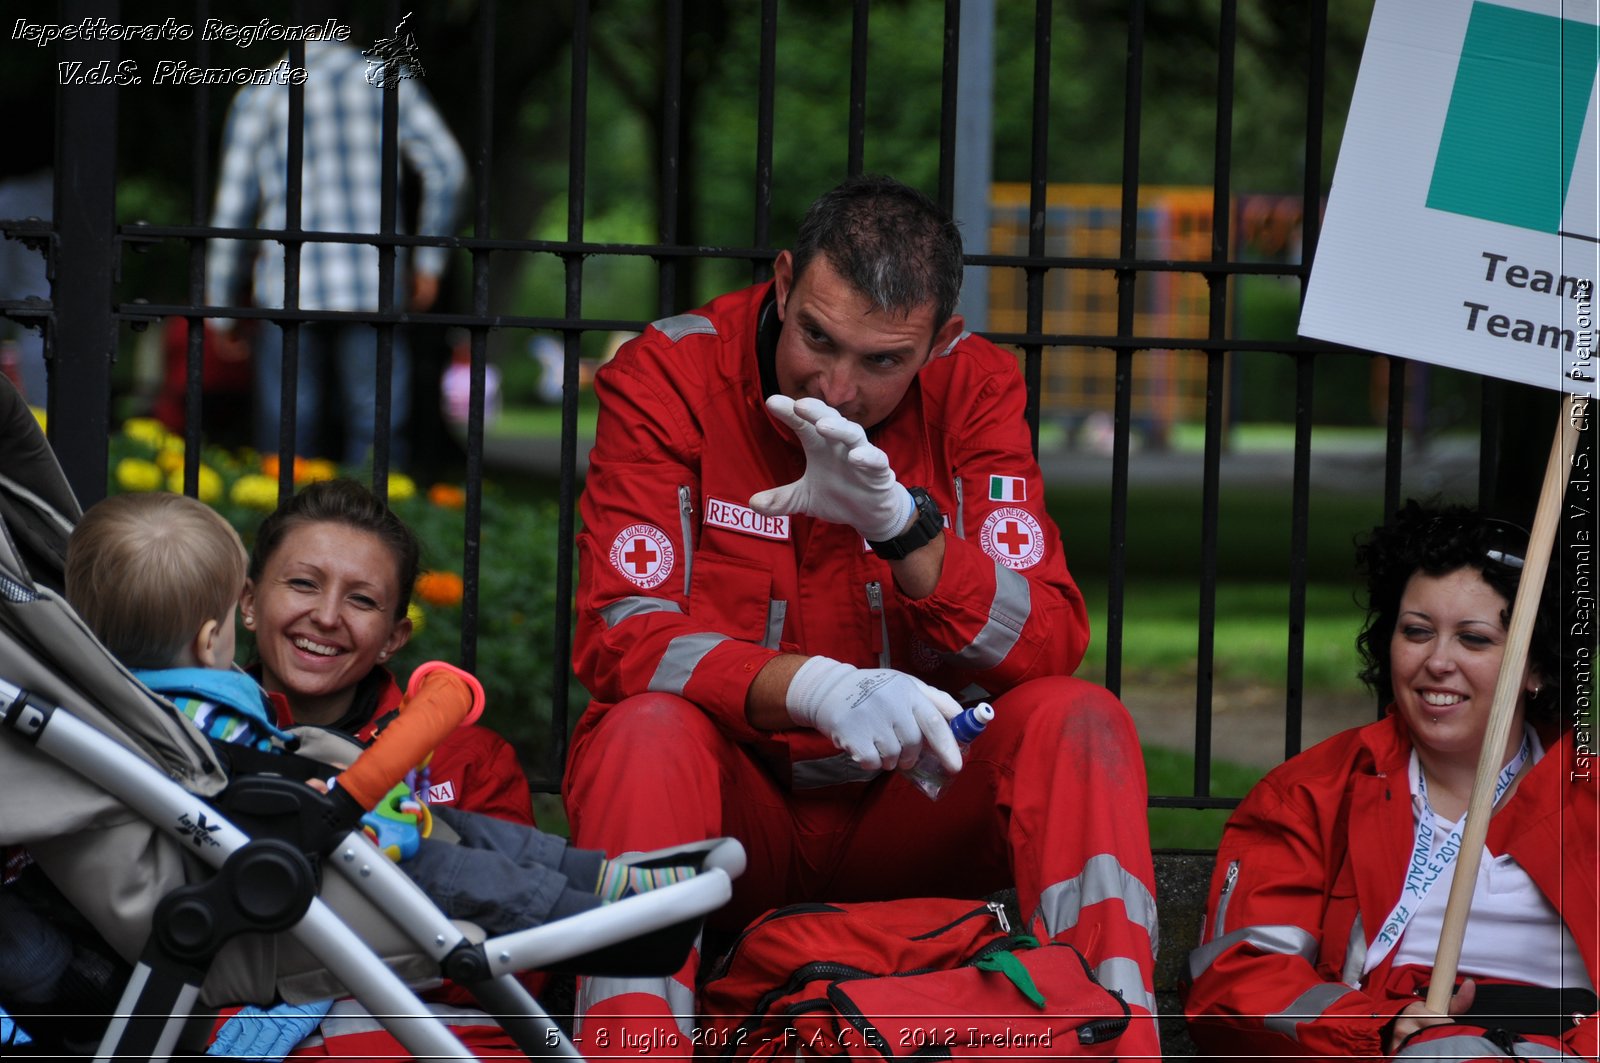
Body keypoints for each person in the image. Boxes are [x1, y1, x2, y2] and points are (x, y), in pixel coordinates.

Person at [567, 174, 1160, 1057]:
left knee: (1082, 719)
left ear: (941, 341)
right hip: (736, 811)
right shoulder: (671, 373)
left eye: (882, 361)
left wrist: (905, 531)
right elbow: (621, 630)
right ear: (781, 278)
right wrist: (808, 686)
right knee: (640, 731)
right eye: (816, 336)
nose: (837, 387)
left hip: (914, 801)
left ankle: (1112, 1039)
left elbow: (1048, 640)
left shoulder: (975, 388)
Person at [63, 487, 694, 1060]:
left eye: (361, 600)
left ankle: (615, 896)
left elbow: (510, 963)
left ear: (394, 638)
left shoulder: (464, 756)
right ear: (248, 603)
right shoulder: (176, 736)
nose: (328, 616)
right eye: (304, 584)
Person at [1183, 502, 1597, 1060]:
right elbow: (1235, 985)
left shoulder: (1587, 791)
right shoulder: (1313, 794)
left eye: (1473, 639)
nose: (1438, 662)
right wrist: (1379, 1024)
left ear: (1537, 669)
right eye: (1417, 632)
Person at [206, 33, 467, 469]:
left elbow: (233, 207)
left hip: (289, 281)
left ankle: (283, 522)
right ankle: (375, 524)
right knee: (376, 424)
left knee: (288, 426)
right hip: (373, 278)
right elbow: (449, 168)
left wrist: (220, 306)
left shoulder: (263, 90)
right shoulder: (385, 79)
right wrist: (429, 259)